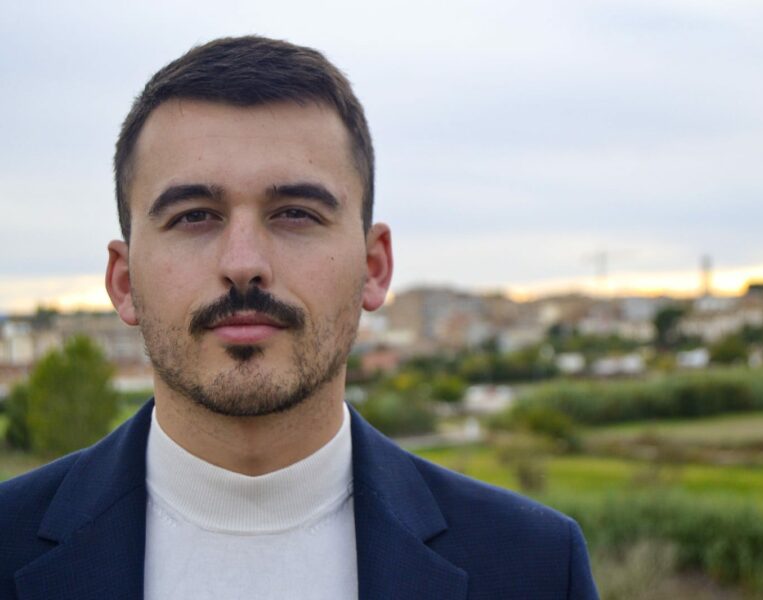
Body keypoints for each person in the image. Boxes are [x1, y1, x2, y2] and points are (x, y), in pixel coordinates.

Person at [0, 36, 598, 599]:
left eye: (295, 214)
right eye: (193, 216)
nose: (243, 265)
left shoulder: (535, 566)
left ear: (374, 268)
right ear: (124, 281)